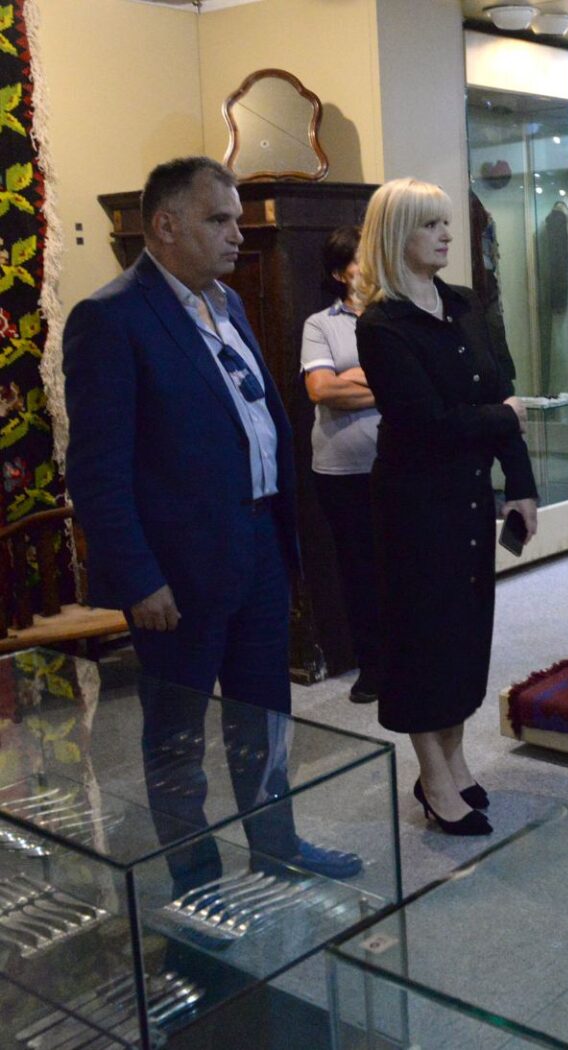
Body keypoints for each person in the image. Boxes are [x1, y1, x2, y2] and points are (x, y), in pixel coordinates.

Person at [62, 157, 361, 893]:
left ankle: (276, 846)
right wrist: (139, 579)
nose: (236, 234)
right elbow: (98, 472)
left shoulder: (225, 302)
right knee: (176, 736)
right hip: (177, 572)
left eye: (235, 219)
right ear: (166, 225)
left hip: (257, 547)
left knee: (264, 716)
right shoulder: (111, 318)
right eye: (218, 220)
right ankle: (197, 883)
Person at [354, 177, 538, 837]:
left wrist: (522, 485)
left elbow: (499, 393)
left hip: (468, 497)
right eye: (431, 224)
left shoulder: (462, 302)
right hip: (415, 507)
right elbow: (427, 424)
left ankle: (454, 759)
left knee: (465, 636)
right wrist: (503, 415)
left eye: (445, 223)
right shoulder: (381, 325)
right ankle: (433, 775)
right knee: (423, 643)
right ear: (395, 234)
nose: (447, 235)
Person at [300, 226, 384, 704]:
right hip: (340, 471)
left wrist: (350, 376)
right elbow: (320, 389)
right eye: (358, 260)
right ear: (339, 273)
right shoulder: (321, 324)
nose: (369, 267)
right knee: (358, 570)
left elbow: (416, 380)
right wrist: (382, 383)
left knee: (403, 565)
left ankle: (408, 660)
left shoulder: (394, 316)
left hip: (396, 462)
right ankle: (371, 667)